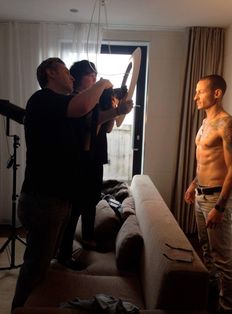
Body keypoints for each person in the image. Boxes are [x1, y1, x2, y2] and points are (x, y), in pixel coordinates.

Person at [11, 57, 132, 311]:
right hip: (43, 199)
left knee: (43, 265)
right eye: (66, 72)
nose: (72, 77)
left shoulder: (63, 107)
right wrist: (103, 82)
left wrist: (117, 111)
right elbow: (83, 106)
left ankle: (35, 306)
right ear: (50, 73)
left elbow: (93, 121)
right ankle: (20, 309)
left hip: (57, 198)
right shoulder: (42, 99)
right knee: (35, 267)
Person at [58, 60, 130, 264]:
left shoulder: (95, 100)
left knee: (90, 202)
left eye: (96, 74)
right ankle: (63, 254)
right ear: (78, 77)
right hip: (79, 162)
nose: (95, 78)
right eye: (91, 75)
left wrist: (115, 106)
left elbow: (106, 128)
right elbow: (91, 122)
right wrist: (116, 110)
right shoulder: (74, 100)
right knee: (74, 209)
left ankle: (88, 239)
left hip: (95, 159)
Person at [184, 74, 232, 313]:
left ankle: (228, 306)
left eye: (200, 91)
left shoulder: (227, 124)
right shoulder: (205, 123)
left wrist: (221, 207)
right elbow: (205, 162)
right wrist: (194, 184)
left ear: (217, 94)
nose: (195, 96)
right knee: (206, 251)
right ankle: (211, 298)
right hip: (201, 195)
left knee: (223, 259)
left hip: (216, 199)